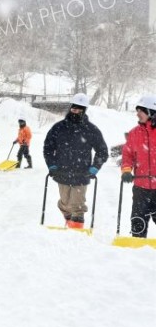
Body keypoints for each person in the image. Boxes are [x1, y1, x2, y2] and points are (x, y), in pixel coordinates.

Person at [43, 93, 108, 229]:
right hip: (62, 172)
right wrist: (52, 166)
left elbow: (102, 151)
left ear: (84, 110)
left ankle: (76, 232)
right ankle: (69, 221)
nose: (76, 111)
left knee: (77, 206)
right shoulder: (59, 127)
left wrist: (94, 168)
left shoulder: (91, 129)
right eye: (74, 108)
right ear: (70, 108)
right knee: (65, 203)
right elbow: (48, 148)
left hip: (82, 173)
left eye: (79, 109)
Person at [120, 95, 156, 238]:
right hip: (141, 188)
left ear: (151, 112)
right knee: (138, 221)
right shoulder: (134, 133)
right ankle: (136, 252)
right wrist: (126, 171)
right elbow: (127, 155)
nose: (137, 114)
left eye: (141, 110)